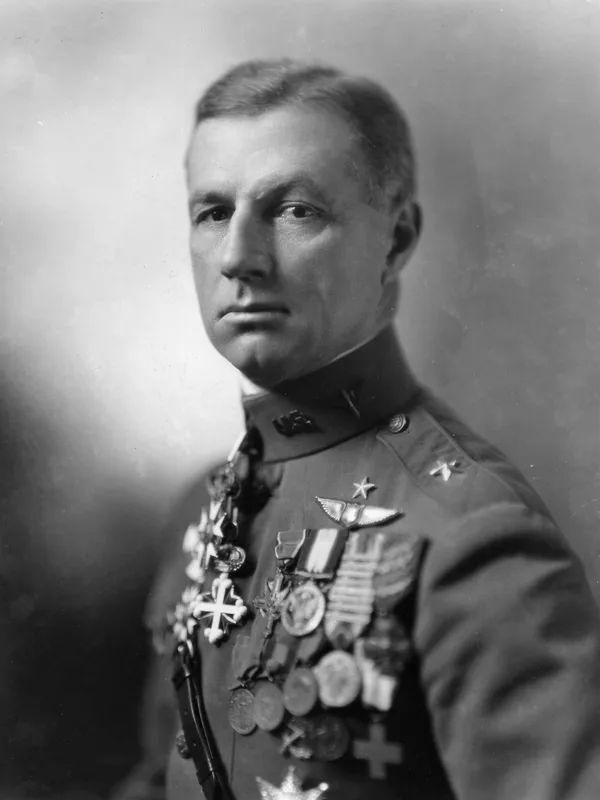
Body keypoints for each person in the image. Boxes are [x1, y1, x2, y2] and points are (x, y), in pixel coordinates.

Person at [113, 59, 600, 800]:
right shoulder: (203, 511)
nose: (239, 257)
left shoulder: (466, 534)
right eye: (213, 212)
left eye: (294, 210)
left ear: (397, 240)